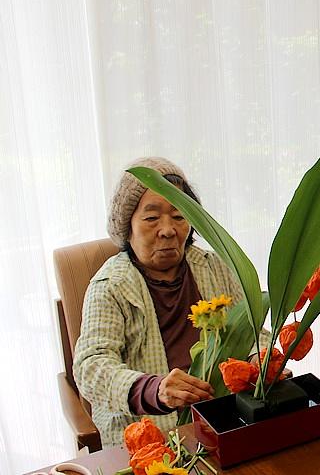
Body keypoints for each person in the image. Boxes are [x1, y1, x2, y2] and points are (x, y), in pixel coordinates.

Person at [74, 157, 253, 446]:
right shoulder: (110, 286)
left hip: (225, 421)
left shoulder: (215, 266)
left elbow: (252, 329)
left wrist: (261, 360)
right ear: (127, 226)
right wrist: (155, 390)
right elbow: (90, 367)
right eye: (151, 217)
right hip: (149, 436)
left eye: (179, 215)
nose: (168, 229)